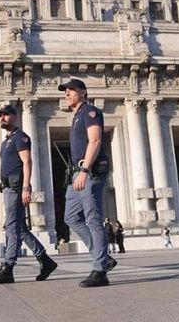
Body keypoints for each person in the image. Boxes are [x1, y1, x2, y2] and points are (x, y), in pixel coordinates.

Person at [0, 105, 58, 284]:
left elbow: (27, 162)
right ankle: (45, 260)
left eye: (5, 115)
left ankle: (8, 267)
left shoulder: (21, 137)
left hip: (16, 187)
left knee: (11, 227)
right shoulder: (5, 142)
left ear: (14, 116)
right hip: (7, 188)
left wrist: (26, 187)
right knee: (20, 228)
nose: (2, 118)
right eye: (0, 115)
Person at [58, 79, 117, 287]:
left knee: (93, 219)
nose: (66, 94)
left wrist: (84, 170)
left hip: (89, 173)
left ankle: (100, 270)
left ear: (83, 92)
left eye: (71, 90)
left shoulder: (90, 112)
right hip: (76, 175)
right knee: (71, 217)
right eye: (65, 91)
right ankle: (104, 257)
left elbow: (95, 141)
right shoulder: (76, 116)